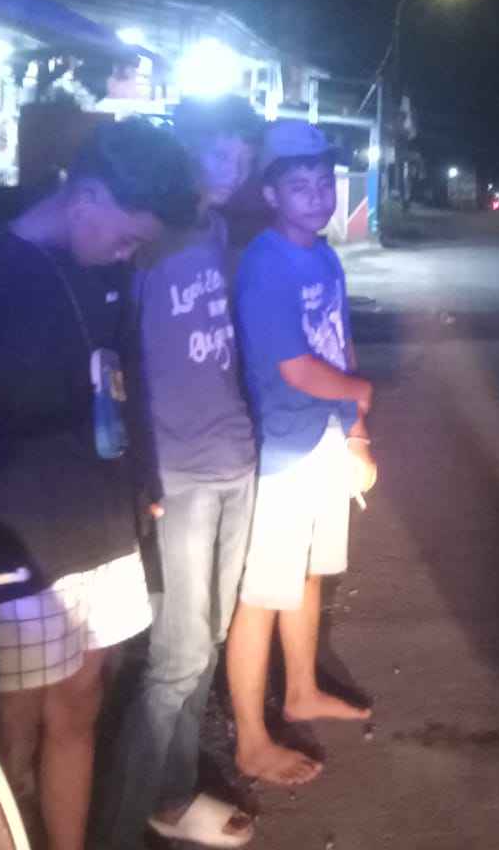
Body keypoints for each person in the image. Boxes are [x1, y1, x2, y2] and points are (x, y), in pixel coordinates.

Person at [0, 117, 199, 850]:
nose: (130, 254)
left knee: (81, 705)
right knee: (11, 733)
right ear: (88, 197)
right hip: (21, 541)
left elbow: (124, 376)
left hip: (102, 522)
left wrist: (143, 481)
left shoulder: (103, 266)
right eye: (128, 237)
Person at [97, 99, 322, 850]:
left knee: (210, 640)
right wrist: (138, 474)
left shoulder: (221, 232)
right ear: (187, 151)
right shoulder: (144, 243)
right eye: (220, 153)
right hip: (180, 473)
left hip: (235, 459)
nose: (233, 169)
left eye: (242, 158)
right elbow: (118, 364)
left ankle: (171, 796)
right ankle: (117, 829)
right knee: (177, 659)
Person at [226, 119, 378, 776]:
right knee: (263, 592)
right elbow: (295, 367)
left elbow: (339, 341)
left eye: (323, 183)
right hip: (282, 448)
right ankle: (250, 740)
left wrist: (356, 429)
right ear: (270, 194)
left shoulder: (324, 256)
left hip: (324, 437)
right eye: (299, 186)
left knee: (311, 571)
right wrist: (361, 391)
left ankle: (302, 691)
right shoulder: (264, 264)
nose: (317, 197)